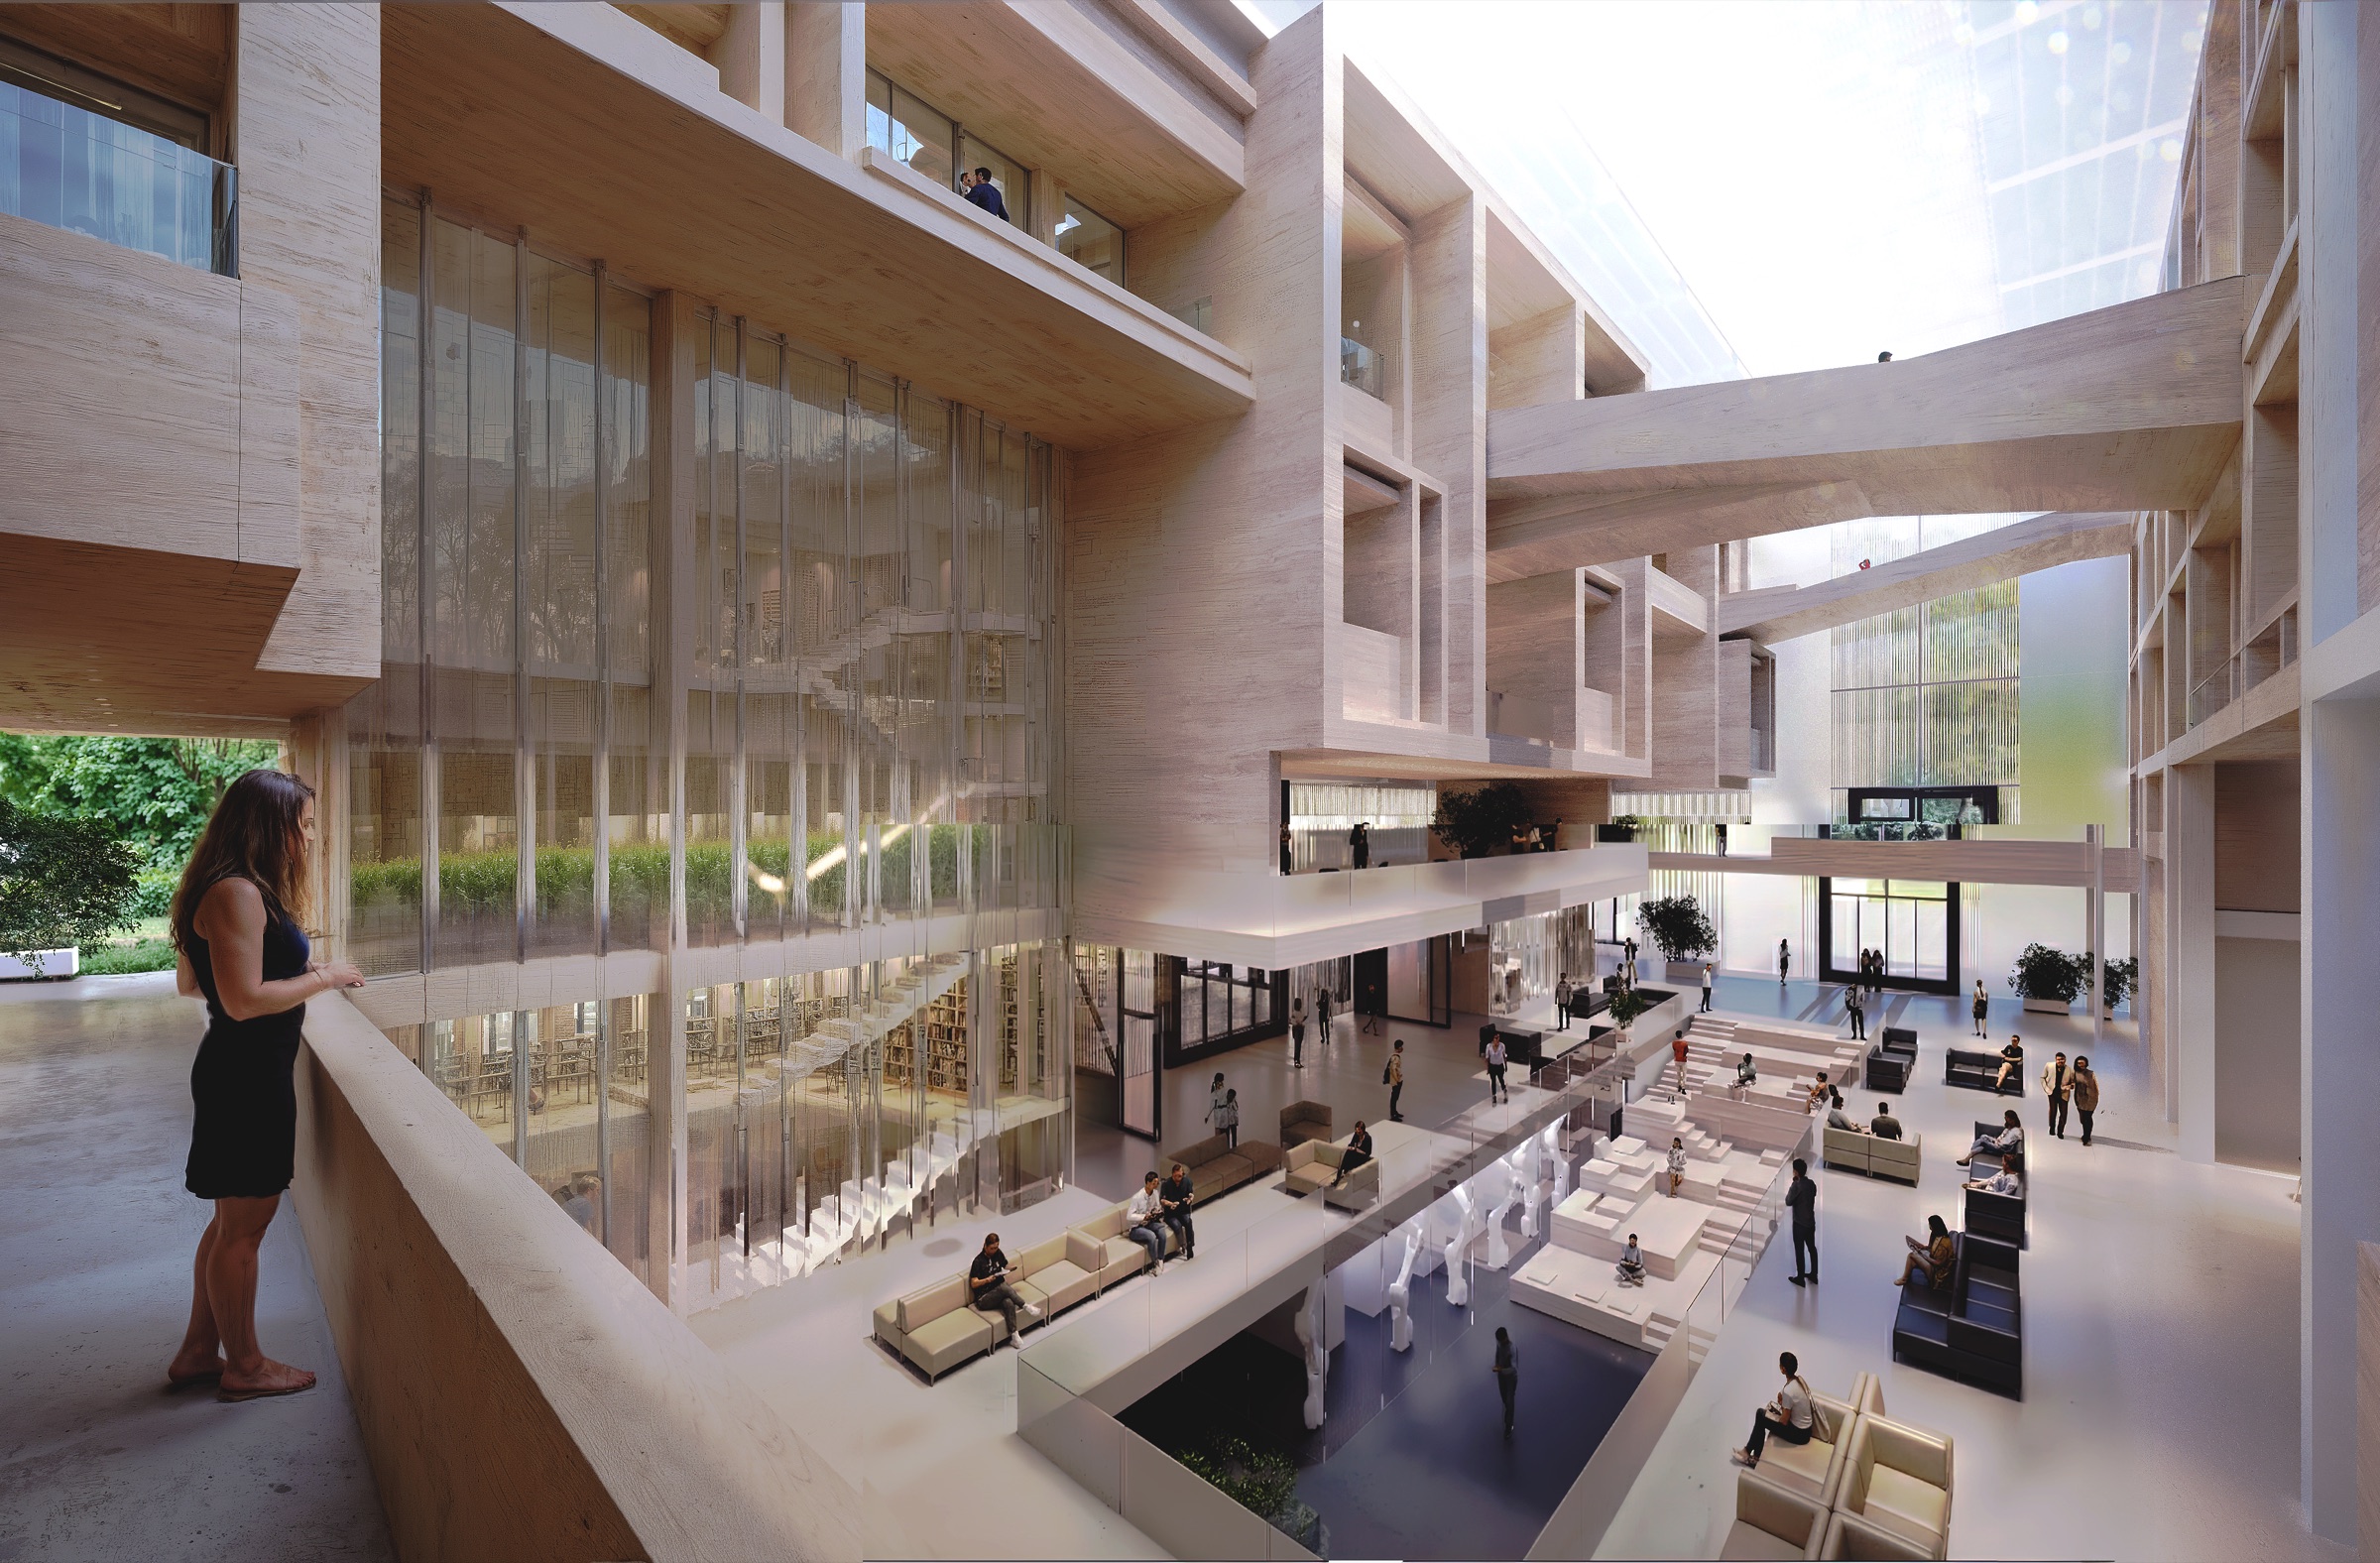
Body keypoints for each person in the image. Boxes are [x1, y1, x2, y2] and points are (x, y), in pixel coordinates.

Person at [168, 769, 365, 1402]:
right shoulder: (237, 894)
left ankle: (200, 1351)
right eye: (302, 825)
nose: (308, 839)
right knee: (245, 1229)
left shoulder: (227, 889)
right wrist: (325, 976)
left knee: (230, 1223)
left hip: (240, 1071)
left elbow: (192, 984)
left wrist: (286, 967)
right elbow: (245, 1000)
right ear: (267, 825)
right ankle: (244, 1365)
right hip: (247, 1080)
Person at [1733, 1351, 1817, 1469]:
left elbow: (1784, 1421)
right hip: (1806, 1430)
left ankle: (1750, 1453)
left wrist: (1779, 1410)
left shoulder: (1789, 1391)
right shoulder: (1798, 1381)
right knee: (1764, 1414)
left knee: (1761, 1415)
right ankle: (1752, 1454)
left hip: (1798, 1434)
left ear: (1783, 1369)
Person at [968, 1232, 1042, 1345]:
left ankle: (1015, 1335)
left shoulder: (998, 1253)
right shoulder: (978, 1261)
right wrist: (987, 1280)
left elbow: (1004, 1265)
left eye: (996, 1247)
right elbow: (973, 1283)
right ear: (985, 1246)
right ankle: (1025, 1305)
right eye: (992, 1248)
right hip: (984, 1298)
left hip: (998, 1294)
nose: (994, 1250)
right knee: (1003, 1287)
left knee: (1008, 1302)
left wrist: (1010, 1269)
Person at [1126, 1172, 1169, 1272]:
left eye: (1157, 1183)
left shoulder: (1155, 1193)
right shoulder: (1137, 1197)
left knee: (1162, 1230)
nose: (1156, 1185)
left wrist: (1157, 1211)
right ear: (1148, 1183)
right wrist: (1143, 1216)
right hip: (1137, 1228)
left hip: (1149, 1223)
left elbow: (1157, 1207)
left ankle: (1161, 1259)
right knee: (1151, 1236)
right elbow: (1129, 1216)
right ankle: (1154, 1263)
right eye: (1154, 1183)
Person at [1896, 1214, 1954, 1288]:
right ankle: (1905, 1278)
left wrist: (1924, 1256)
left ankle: (1904, 1279)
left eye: (1930, 1224)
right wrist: (1921, 1247)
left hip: (1937, 1273)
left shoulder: (1944, 1243)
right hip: (1932, 1261)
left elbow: (1939, 1263)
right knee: (1912, 1259)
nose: (1929, 1227)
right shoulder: (1935, 1235)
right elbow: (1930, 1248)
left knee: (1912, 1255)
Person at [1784, 1157, 1817, 1285]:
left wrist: (1794, 1185)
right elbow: (1812, 1194)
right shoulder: (1811, 1183)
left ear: (1796, 1172)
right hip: (1810, 1222)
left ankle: (1800, 1277)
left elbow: (1788, 1201)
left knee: (1799, 1250)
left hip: (1799, 1223)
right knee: (1811, 1248)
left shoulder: (1797, 1185)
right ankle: (1814, 1274)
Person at [1959, 1110, 2025, 1167]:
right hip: (1998, 1143)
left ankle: (1968, 1158)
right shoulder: (2008, 1128)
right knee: (1983, 1136)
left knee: (1982, 1142)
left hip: (2001, 1148)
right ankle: (1970, 1155)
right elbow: (2002, 1136)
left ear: (2013, 1119)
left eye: (2009, 1120)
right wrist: (1996, 1140)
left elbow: (2008, 1143)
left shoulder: (2017, 1131)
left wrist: (1997, 1143)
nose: (2008, 1122)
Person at [1159, 1162, 1197, 1261]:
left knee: (1188, 1222)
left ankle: (1190, 1246)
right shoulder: (1166, 1184)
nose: (1178, 1178)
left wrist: (1190, 1198)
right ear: (1172, 1175)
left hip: (1183, 1210)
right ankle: (1183, 1245)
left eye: (1180, 1176)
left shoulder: (1187, 1181)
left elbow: (1190, 1194)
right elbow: (1162, 1200)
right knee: (1177, 1226)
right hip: (1171, 1213)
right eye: (1176, 1176)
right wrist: (1170, 1204)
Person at [1491, 1325, 1519, 1438]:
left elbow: (1514, 1369)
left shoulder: (1512, 1349)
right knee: (1504, 1398)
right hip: (1501, 1376)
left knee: (1509, 1401)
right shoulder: (1499, 1344)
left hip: (1511, 1378)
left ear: (1505, 1338)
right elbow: (1497, 1354)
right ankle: (1507, 1414)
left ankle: (1509, 1426)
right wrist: (1497, 1364)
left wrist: (1501, 1370)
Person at [1332, 1120, 1373, 1188]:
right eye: (1356, 1131)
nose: (1358, 1133)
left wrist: (1356, 1149)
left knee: (1351, 1155)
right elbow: (1351, 1144)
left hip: (1363, 1156)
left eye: (1359, 1132)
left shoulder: (1368, 1138)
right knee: (1348, 1153)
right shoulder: (1356, 1135)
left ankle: (1345, 1171)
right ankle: (1340, 1173)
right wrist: (1351, 1148)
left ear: (1363, 1130)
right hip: (1355, 1154)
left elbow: (1367, 1153)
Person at [2041, 1050, 2073, 1138]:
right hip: (2052, 1093)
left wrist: (2069, 1087)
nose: (2060, 1061)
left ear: (2065, 1060)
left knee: (2063, 1114)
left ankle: (2060, 1132)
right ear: (2055, 1060)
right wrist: (2046, 1089)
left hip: (2064, 1094)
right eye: (2058, 1060)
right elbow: (2042, 1078)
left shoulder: (2070, 1070)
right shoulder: (2048, 1065)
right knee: (2052, 1112)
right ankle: (2051, 1128)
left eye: (2062, 1059)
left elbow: (2073, 1082)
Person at [2072, 1056, 2099, 1145]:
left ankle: (2086, 1137)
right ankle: (2086, 1135)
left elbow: (2096, 1087)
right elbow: (2071, 1083)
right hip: (2080, 1100)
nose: (2081, 1065)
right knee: (2083, 1119)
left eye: (2083, 1063)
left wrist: (2094, 1097)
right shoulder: (2075, 1073)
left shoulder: (2091, 1073)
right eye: (2079, 1063)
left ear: (2086, 1063)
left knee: (2088, 1118)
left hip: (2091, 1099)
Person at [1486, 1033, 1509, 1105]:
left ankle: (1505, 1092)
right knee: (1493, 1081)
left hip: (1500, 1066)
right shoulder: (1489, 1046)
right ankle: (1494, 1096)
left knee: (1501, 1080)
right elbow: (1487, 1058)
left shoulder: (1502, 1046)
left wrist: (1506, 1066)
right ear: (1493, 1039)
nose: (1497, 1040)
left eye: (1498, 1038)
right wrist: (1487, 1069)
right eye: (1496, 1038)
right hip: (1492, 1066)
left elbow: (1504, 1056)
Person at [1386, 1038, 1405, 1122]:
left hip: (1396, 1080)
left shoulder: (1394, 1055)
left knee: (1395, 1097)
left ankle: (1394, 1111)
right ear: (1398, 1047)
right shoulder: (1396, 1057)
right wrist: (1397, 1079)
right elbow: (1393, 1069)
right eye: (1401, 1046)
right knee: (1394, 1097)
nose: (1402, 1048)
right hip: (1396, 1081)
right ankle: (1393, 1114)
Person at [1672, 1030, 1693, 1095]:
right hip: (1683, 1060)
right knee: (1684, 1074)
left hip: (1677, 1060)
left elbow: (1674, 1050)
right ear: (1681, 1035)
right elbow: (1686, 1051)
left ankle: (1679, 1085)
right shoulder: (1684, 1043)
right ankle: (1683, 1088)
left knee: (1678, 1074)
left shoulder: (1674, 1043)